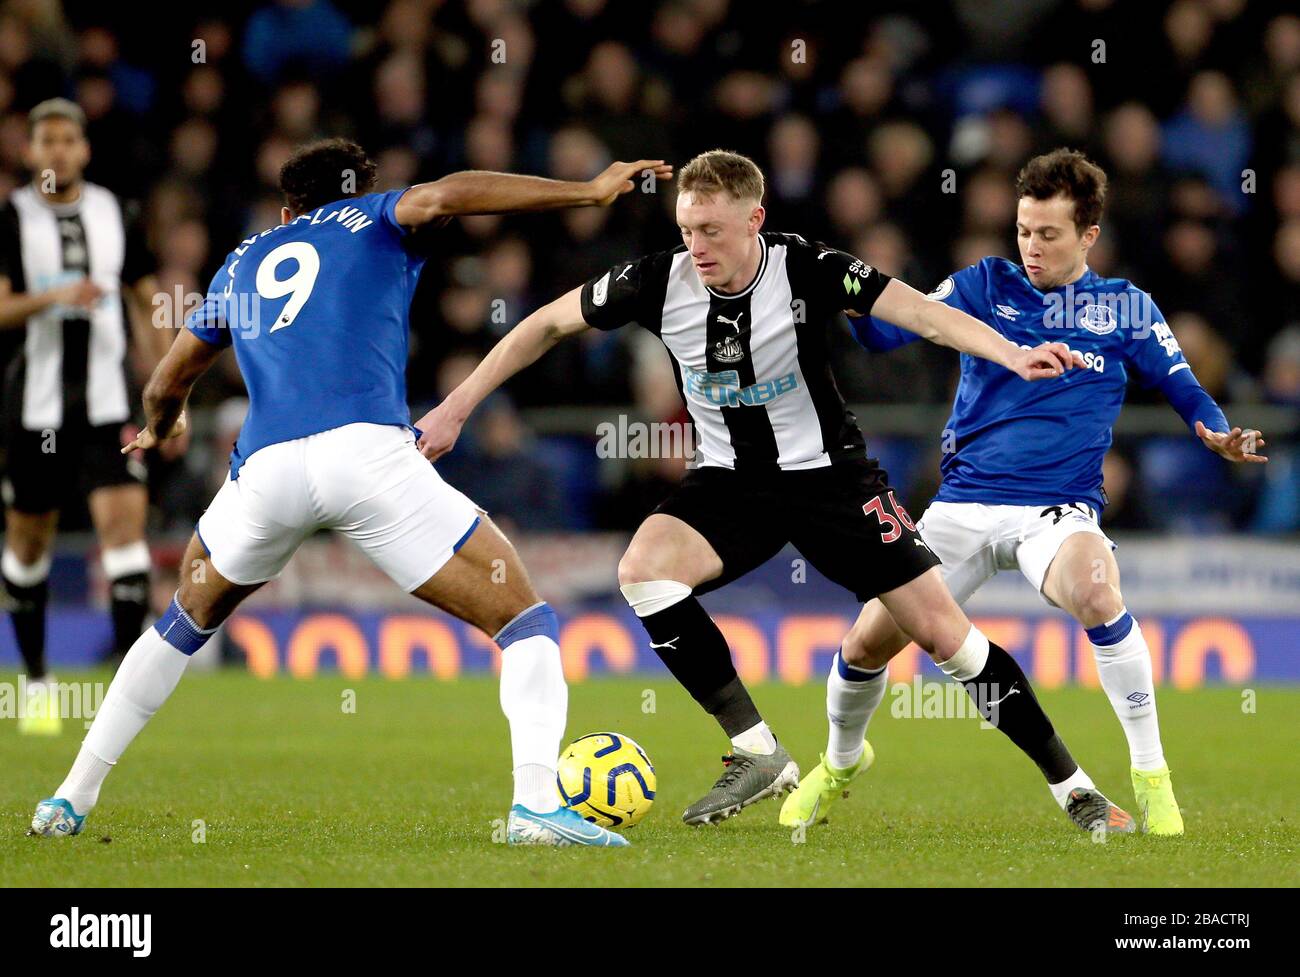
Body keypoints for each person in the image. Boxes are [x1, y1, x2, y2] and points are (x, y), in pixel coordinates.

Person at [416, 149, 1135, 834]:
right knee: (643, 570)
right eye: (688, 229)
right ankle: (757, 748)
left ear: (753, 220)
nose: (698, 245)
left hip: (833, 482)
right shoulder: (657, 280)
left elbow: (919, 312)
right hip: (731, 483)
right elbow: (543, 323)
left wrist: (1011, 352)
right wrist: (458, 404)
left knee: (947, 637)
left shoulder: (808, 266)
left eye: (713, 230)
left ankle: (1075, 789)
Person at [30, 137, 672, 847]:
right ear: (360, 188)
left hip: (264, 471)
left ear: (285, 209)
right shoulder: (375, 216)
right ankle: (533, 806)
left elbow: (163, 384)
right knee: (525, 620)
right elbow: (446, 195)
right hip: (365, 455)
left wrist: (162, 425)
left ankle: (67, 798)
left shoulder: (241, 262)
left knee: (179, 626)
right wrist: (585, 190)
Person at [784, 148, 1267, 836]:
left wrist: (1214, 431)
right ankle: (837, 765)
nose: (1031, 247)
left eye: (1048, 234)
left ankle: (1151, 774)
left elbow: (1183, 384)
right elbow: (888, 332)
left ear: (1089, 236)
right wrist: (847, 295)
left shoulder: (1126, 308)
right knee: (866, 644)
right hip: (962, 505)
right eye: (1023, 230)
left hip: (1057, 510)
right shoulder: (983, 284)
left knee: (1100, 593)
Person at [0, 98, 172, 734]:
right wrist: (53, 297)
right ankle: (39, 681)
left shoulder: (116, 212)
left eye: (68, 140)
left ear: (84, 150)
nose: (58, 152)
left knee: (124, 537)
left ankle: (123, 694)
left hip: (109, 408)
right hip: (35, 410)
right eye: (46, 141)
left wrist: (165, 388)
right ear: (30, 153)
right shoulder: (11, 218)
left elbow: (144, 297)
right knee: (28, 544)